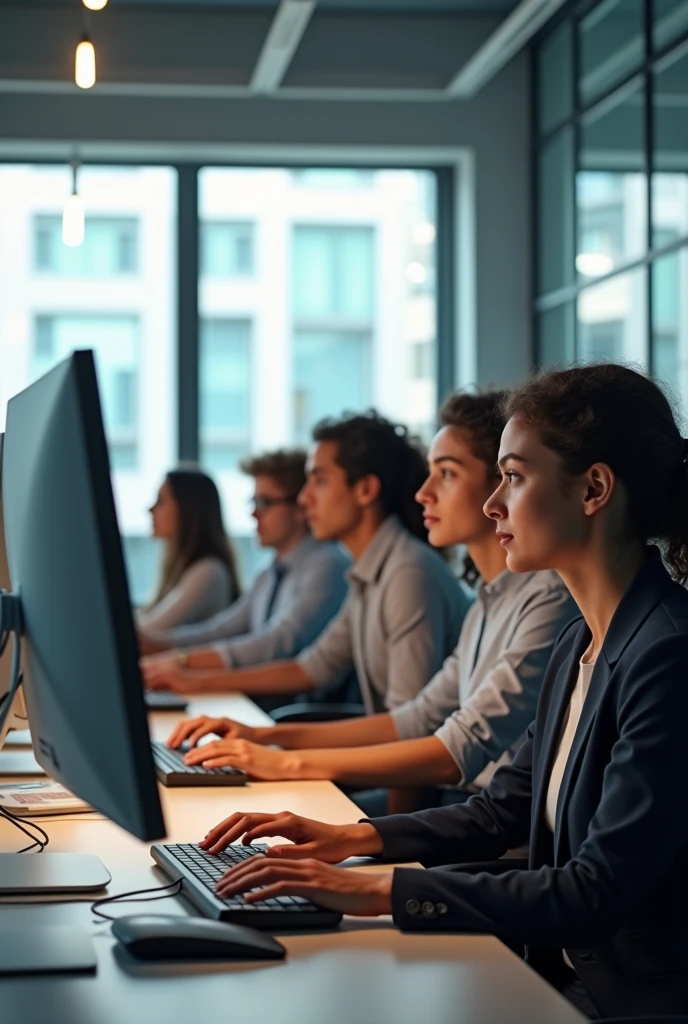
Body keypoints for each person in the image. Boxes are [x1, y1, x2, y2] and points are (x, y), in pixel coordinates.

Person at [196, 365, 688, 1020]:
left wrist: (374, 892)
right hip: (558, 974)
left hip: (620, 1003)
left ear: (595, 488)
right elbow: (497, 813)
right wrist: (349, 838)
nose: (494, 504)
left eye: (514, 477)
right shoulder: (581, 640)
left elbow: (593, 891)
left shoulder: (667, 653)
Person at [167, 393, 576, 821]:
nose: (424, 494)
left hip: (476, 817)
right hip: (458, 806)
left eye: (447, 475)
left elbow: (447, 748)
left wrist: (368, 830)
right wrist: (263, 736)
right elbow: (412, 715)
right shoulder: (485, 601)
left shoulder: (419, 575)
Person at [144, 411, 470, 711]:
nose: (305, 498)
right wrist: (194, 680)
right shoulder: (369, 570)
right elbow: (313, 668)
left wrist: (275, 746)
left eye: (320, 481)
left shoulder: (406, 573)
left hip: (413, 771)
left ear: (365, 490)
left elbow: (408, 724)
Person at [139, 451, 349, 696]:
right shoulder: (270, 572)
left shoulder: (327, 565)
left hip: (291, 711)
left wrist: (180, 661)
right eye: (254, 503)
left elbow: (276, 643)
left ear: (300, 507)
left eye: (265, 503)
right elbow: (223, 630)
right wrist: (166, 649)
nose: (254, 514)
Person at [136, 467, 241, 633]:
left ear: (187, 510)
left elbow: (149, 632)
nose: (150, 509)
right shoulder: (189, 570)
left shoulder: (208, 572)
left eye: (161, 501)